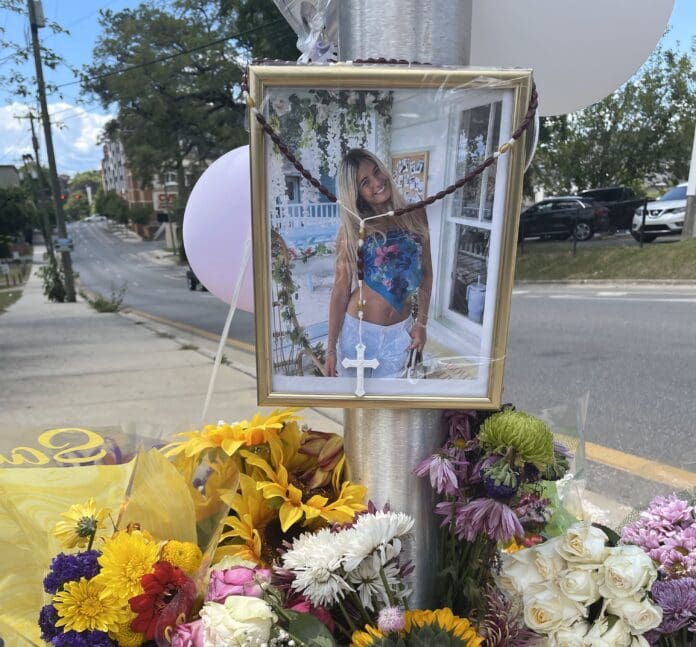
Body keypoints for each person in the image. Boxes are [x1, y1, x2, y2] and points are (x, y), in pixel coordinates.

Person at [324, 148, 432, 378]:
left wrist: (421, 324)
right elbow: (341, 290)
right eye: (365, 182)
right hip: (360, 336)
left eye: (377, 172)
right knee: (359, 410)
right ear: (357, 193)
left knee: (395, 409)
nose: (377, 182)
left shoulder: (416, 214)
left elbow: (427, 274)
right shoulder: (353, 229)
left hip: (401, 335)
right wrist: (330, 347)